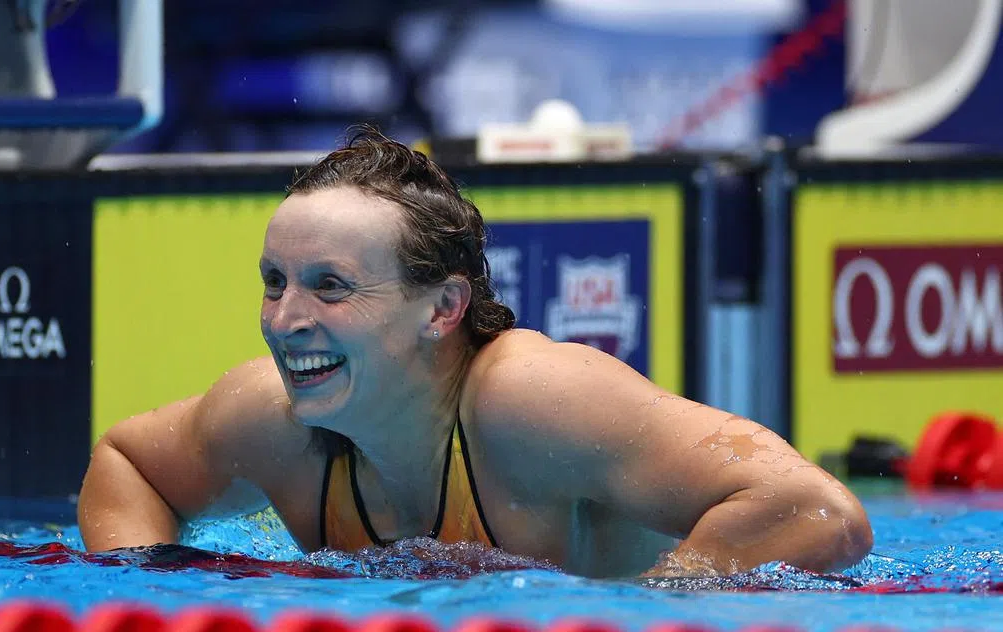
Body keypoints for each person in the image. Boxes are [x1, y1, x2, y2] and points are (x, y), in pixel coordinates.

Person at [77, 126, 873, 578]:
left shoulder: (527, 401)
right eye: (274, 282)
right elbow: (127, 463)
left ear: (444, 308)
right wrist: (152, 610)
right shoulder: (273, 423)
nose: (286, 320)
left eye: (330, 286)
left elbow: (819, 513)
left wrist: (639, 621)